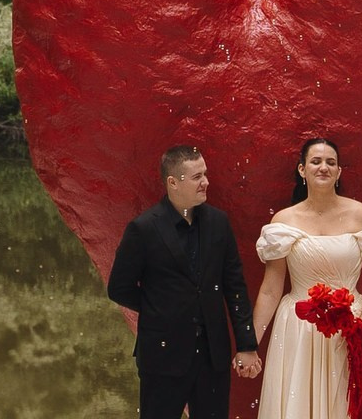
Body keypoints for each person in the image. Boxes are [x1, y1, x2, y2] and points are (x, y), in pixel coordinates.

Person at [107, 142, 263, 419]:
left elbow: (235, 287)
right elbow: (119, 288)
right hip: (162, 357)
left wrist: (247, 345)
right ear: (172, 182)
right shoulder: (143, 228)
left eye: (204, 174)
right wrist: (162, 308)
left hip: (212, 357)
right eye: (196, 177)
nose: (205, 182)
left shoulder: (219, 223)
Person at [252, 135, 362, 419]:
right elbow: (271, 289)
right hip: (298, 327)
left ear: (339, 171)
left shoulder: (360, 215)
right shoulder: (283, 222)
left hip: (351, 325)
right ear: (302, 169)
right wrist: (250, 343)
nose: (323, 167)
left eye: (331, 162)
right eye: (316, 161)